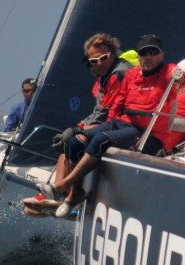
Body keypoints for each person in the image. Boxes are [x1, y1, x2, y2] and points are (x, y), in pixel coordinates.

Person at [38, 34, 177, 217]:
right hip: (121, 123)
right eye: (144, 53)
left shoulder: (168, 72)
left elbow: (178, 73)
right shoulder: (132, 74)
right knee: (75, 141)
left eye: (153, 53)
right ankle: (75, 193)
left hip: (145, 132)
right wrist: (109, 122)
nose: (148, 57)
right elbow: (118, 102)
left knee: (101, 140)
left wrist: (179, 75)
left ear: (161, 55)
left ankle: (63, 185)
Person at [48, 33, 132, 193]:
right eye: (94, 61)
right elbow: (99, 110)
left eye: (104, 58)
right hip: (108, 121)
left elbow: (107, 111)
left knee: (74, 140)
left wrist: (80, 129)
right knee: (64, 146)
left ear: (113, 54)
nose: (99, 63)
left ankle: (72, 192)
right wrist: (81, 125)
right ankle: (57, 192)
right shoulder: (103, 75)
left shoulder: (118, 75)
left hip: (120, 124)